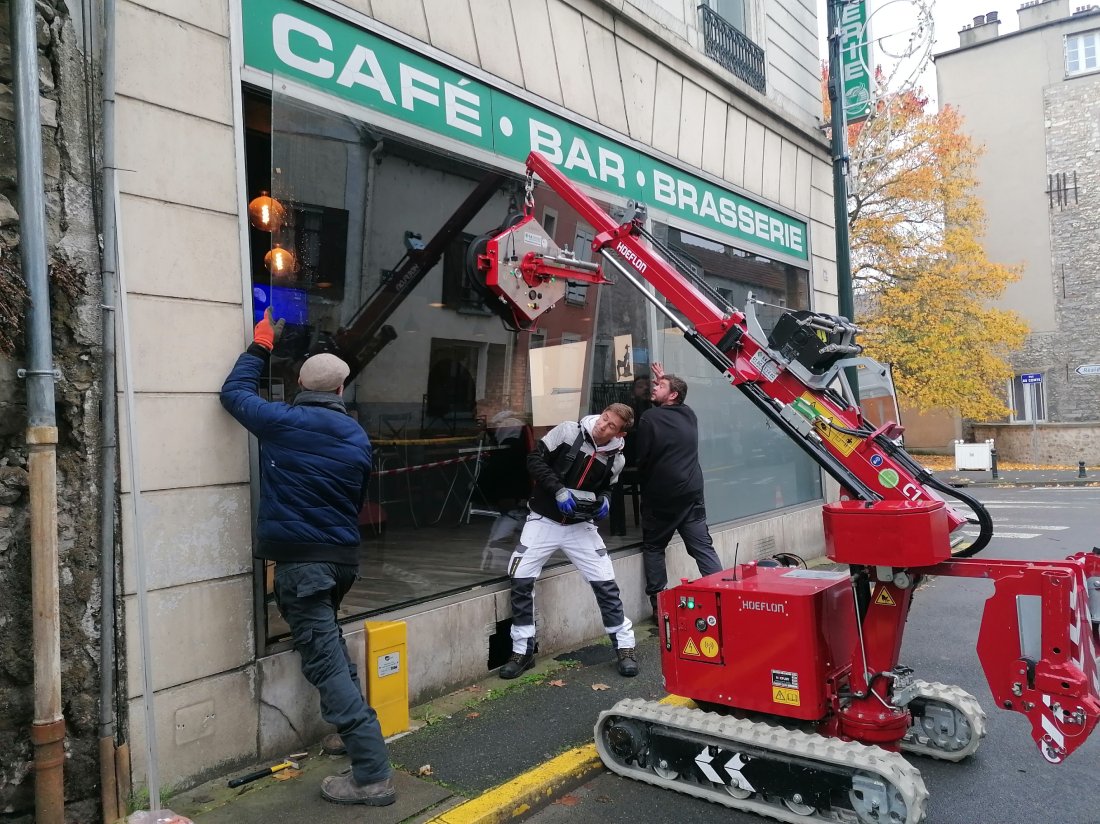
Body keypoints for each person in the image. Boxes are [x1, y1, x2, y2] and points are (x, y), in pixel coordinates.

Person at [219, 310, 394, 807]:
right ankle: (346, 735)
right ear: (341, 391)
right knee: (330, 645)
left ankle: (373, 773)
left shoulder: (283, 422)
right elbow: (356, 496)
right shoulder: (358, 437)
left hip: (302, 565)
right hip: (340, 561)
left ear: (300, 384)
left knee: (325, 662)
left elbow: (234, 396)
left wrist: (259, 348)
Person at [501, 403, 639, 679]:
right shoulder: (567, 431)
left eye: (611, 425)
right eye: (604, 418)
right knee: (521, 578)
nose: (603, 425)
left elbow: (608, 488)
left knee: (605, 582)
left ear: (620, 434)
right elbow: (534, 460)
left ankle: (624, 647)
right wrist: (558, 490)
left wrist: (605, 502)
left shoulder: (617, 459)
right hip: (544, 519)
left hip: (580, 526)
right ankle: (522, 650)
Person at [637, 363, 723, 619]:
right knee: (702, 547)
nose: (654, 387)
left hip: (662, 498)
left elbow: (641, 458)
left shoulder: (649, 418)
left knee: (653, 547)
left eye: (660, 386)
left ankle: (658, 604)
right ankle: (722, 594)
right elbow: (675, 398)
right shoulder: (689, 415)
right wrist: (664, 379)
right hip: (692, 495)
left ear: (673, 395)